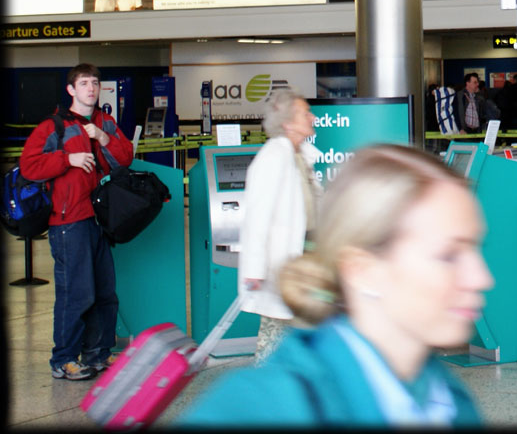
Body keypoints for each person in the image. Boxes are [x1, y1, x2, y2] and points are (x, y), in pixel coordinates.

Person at [178, 145, 491, 427]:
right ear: (363, 270)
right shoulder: (259, 409)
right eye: (448, 255)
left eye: (474, 248)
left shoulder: (450, 400)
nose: (481, 278)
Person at [20, 62, 134, 380]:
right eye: (84, 83)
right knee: (76, 293)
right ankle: (64, 358)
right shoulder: (54, 126)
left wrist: (103, 138)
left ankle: (97, 354)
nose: (91, 89)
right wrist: (66, 159)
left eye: (95, 83)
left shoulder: (104, 122)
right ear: (71, 90)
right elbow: (29, 166)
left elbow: (125, 158)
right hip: (68, 222)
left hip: (99, 220)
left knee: (105, 292)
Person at [239, 87, 321, 363]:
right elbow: (256, 217)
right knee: (274, 338)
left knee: (302, 334)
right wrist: (253, 269)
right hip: (281, 268)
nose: (312, 117)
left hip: (304, 263)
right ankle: (267, 397)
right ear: (287, 122)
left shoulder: (301, 156)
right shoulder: (274, 157)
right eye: (304, 113)